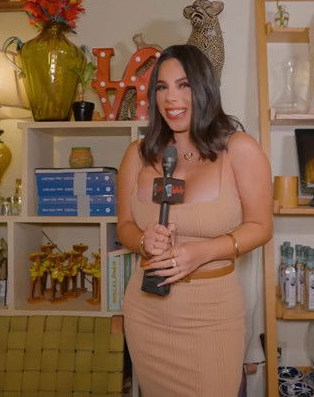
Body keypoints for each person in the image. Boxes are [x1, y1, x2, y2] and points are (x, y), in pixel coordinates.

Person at [116, 44, 273, 395]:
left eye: (183, 84)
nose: (171, 98)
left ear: (204, 88)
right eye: (162, 87)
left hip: (212, 316)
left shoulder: (239, 148)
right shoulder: (137, 155)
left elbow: (262, 227)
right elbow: (124, 226)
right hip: (145, 312)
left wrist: (202, 253)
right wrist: (142, 241)